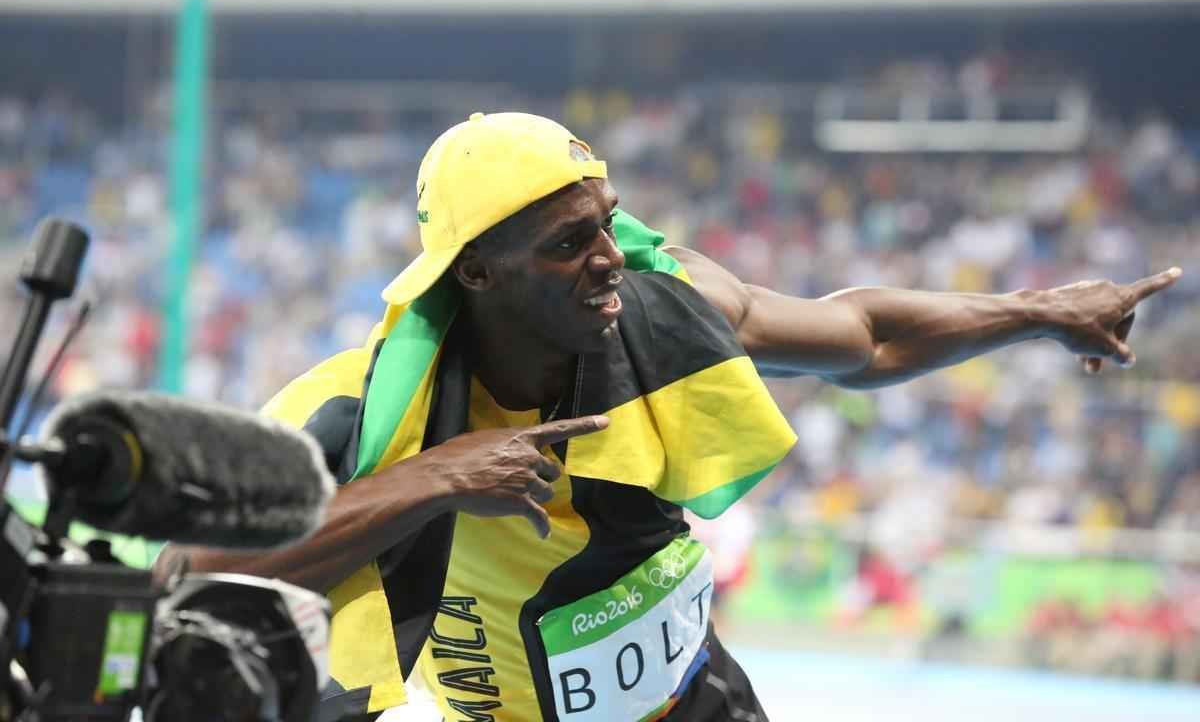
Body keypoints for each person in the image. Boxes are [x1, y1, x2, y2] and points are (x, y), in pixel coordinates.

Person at [155, 111, 1181, 722]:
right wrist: (441, 475)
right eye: (568, 243)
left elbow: (861, 334)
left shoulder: (661, 306)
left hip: (695, 695)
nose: (609, 256)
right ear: (475, 272)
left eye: (606, 222)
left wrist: (1035, 313)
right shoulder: (362, 406)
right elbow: (193, 568)